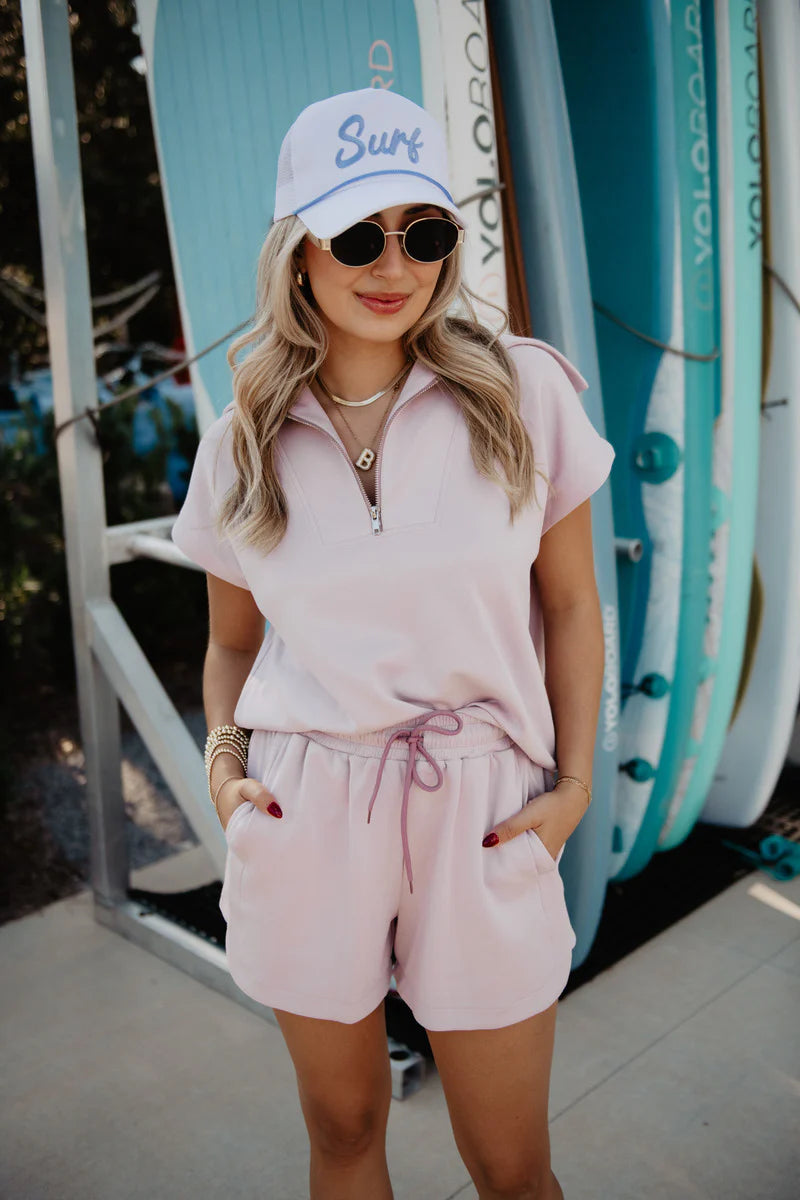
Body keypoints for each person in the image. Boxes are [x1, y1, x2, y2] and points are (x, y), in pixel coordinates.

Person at [171, 86, 614, 1200]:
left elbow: (568, 605)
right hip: (306, 804)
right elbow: (230, 645)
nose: (393, 263)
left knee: (510, 1164)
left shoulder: (525, 395)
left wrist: (570, 787)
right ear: (298, 251)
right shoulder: (239, 443)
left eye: (423, 233)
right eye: (358, 233)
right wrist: (224, 772)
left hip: (483, 807)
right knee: (341, 1127)